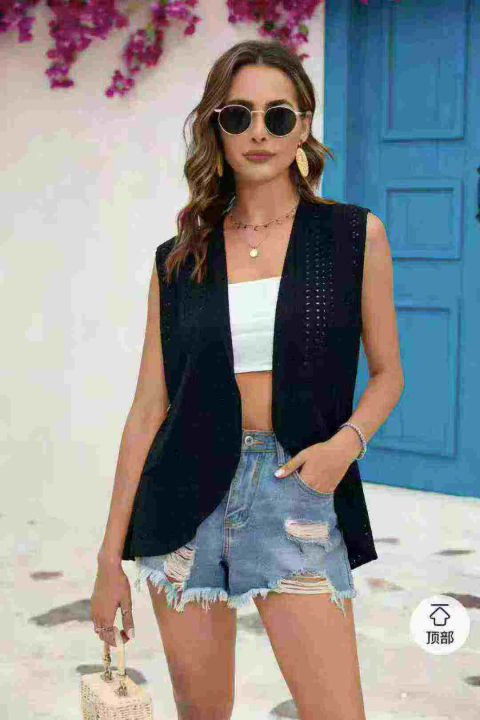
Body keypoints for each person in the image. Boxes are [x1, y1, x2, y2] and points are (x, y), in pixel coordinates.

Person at [91, 39, 404, 720]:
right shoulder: (180, 257)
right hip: (182, 499)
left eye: (277, 115)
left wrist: (343, 447)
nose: (258, 132)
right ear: (217, 127)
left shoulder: (352, 236)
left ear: (303, 125)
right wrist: (108, 559)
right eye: (238, 116)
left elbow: (388, 375)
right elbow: (148, 407)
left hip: (296, 489)